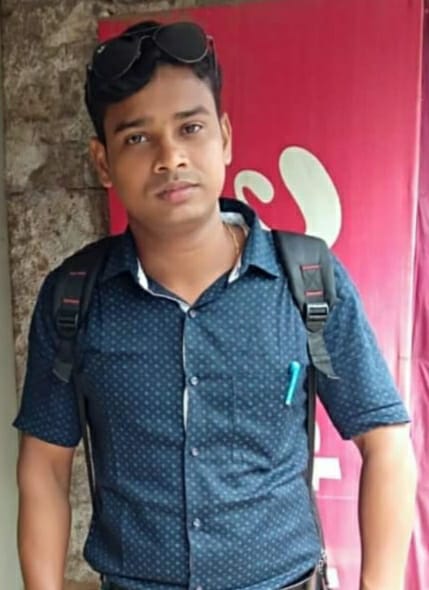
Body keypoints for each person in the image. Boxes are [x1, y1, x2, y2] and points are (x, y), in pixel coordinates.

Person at [14, 19, 417, 590]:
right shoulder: (74, 295)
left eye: (191, 128)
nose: (170, 157)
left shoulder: (307, 281)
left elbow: (387, 444)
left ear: (224, 137)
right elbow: (44, 468)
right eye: (137, 138)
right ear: (102, 162)